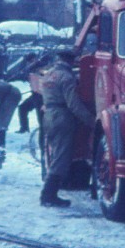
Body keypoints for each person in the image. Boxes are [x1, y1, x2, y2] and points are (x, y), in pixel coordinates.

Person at [39, 49, 95, 207]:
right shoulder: (67, 77)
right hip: (62, 117)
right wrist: (91, 120)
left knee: (56, 153)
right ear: (71, 61)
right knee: (61, 158)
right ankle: (48, 196)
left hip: (49, 115)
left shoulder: (48, 74)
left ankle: (48, 195)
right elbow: (73, 104)